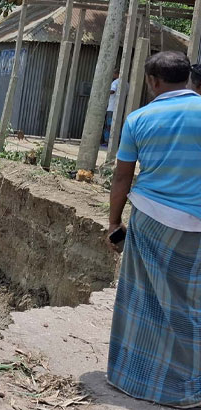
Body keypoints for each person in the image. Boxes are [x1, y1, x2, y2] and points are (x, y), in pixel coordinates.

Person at [106, 51, 201, 409]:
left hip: (152, 221)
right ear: (187, 77)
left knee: (143, 303)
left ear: (154, 82)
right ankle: (193, 386)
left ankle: (140, 380)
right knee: (192, 305)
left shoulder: (139, 118)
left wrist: (115, 224)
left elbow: (121, 178)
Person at [102, 69, 121, 146]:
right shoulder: (126, 83)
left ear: (116, 74)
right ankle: (117, 141)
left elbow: (112, 91)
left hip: (111, 108)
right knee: (117, 125)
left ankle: (107, 142)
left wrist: (104, 91)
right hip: (120, 108)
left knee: (109, 125)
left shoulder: (115, 82)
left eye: (113, 74)